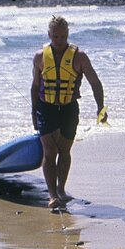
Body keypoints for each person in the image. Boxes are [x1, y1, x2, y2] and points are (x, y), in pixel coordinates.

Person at [31, 16, 106, 210]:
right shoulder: (40, 56)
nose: (59, 40)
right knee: (50, 152)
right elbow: (35, 86)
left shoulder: (79, 56)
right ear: (49, 35)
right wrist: (33, 112)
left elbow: (95, 82)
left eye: (63, 36)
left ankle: (61, 189)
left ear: (68, 35)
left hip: (69, 108)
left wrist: (101, 108)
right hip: (46, 108)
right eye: (55, 36)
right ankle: (52, 194)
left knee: (64, 151)